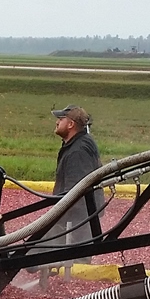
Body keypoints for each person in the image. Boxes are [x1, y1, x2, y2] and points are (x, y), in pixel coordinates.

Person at [49, 104, 104, 254]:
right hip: (83, 218)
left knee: (40, 249)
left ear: (71, 124)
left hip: (78, 221)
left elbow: (76, 193)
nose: (56, 122)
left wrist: (57, 217)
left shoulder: (77, 152)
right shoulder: (78, 144)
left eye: (60, 119)